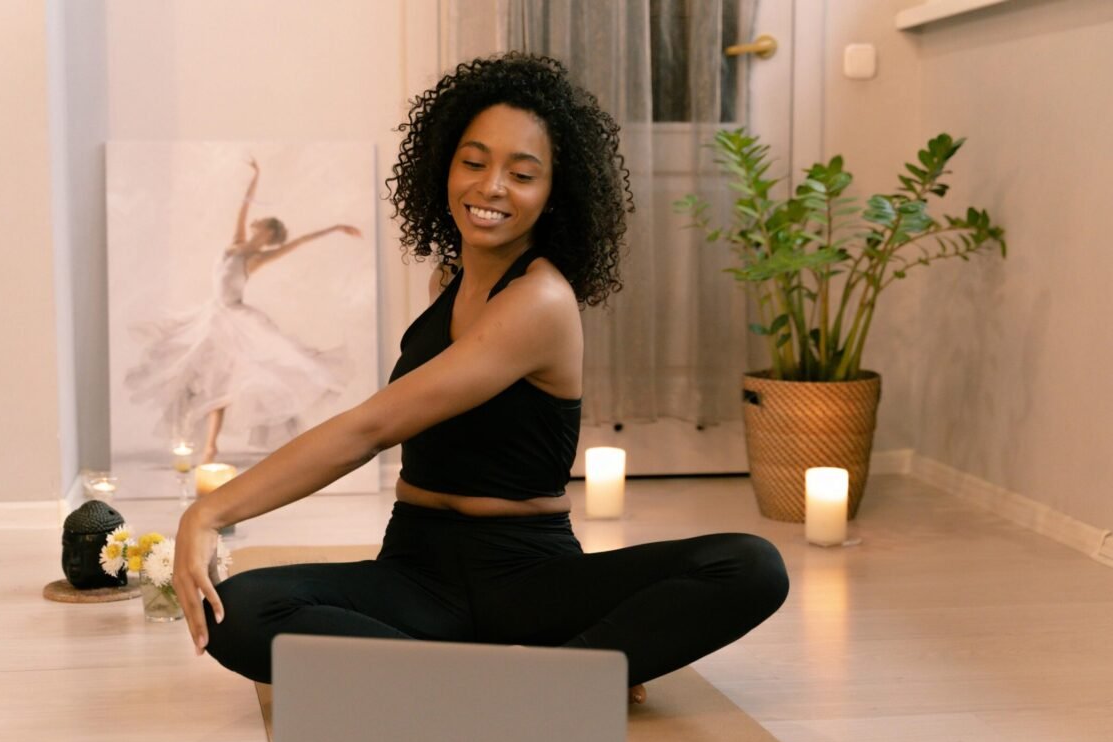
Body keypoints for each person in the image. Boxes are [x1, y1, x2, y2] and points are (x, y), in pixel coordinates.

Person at [173, 53, 789, 706]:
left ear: (555, 193)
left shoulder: (541, 301)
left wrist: (210, 509)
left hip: (530, 576)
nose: (492, 187)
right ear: (444, 164)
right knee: (235, 611)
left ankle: (497, 682)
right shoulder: (451, 280)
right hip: (415, 569)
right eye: (474, 162)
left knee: (750, 566)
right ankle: (546, 680)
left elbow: (373, 427)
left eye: (522, 174)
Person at [124, 156, 362, 465]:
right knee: (197, 378)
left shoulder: (258, 259)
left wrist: (335, 228)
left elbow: (300, 242)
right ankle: (197, 443)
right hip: (212, 316)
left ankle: (216, 447)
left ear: (270, 236)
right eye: (258, 225)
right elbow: (244, 206)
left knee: (234, 379)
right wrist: (256, 176)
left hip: (236, 320)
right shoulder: (237, 244)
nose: (257, 227)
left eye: (264, 229)